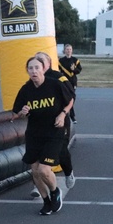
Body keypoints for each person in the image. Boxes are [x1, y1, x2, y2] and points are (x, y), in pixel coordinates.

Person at [12, 56, 73, 215]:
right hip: (34, 134)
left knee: (44, 170)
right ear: (27, 71)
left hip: (54, 132)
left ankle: (54, 192)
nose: (34, 71)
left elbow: (70, 100)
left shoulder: (54, 85)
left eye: (37, 68)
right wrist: (22, 113)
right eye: (30, 68)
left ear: (43, 69)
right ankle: (46, 201)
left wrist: (62, 115)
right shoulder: (26, 90)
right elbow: (16, 112)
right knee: (35, 170)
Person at [35, 51, 76, 190]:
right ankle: (40, 185)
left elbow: (71, 98)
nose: (38, 62)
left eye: (41, 60)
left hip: (59, 121)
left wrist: (63, 114)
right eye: (36, 60)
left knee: (60, 150)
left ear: (49, 63)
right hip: (42, 124)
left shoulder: (59, 78)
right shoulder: (34, 80)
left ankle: (68, 172)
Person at [58, 44, 82, 122]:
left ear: (72, 50)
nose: (68, 51)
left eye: (70, 49)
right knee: (66, 98)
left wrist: (74, 69)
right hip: (64, 82)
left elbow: (79, 70)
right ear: (64, 51)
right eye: (67, 49)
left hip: (73, 82)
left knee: (71, 98)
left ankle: (69, 114)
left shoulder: (75, 60)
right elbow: (58, 70)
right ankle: (71, 116)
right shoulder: (60, 61)